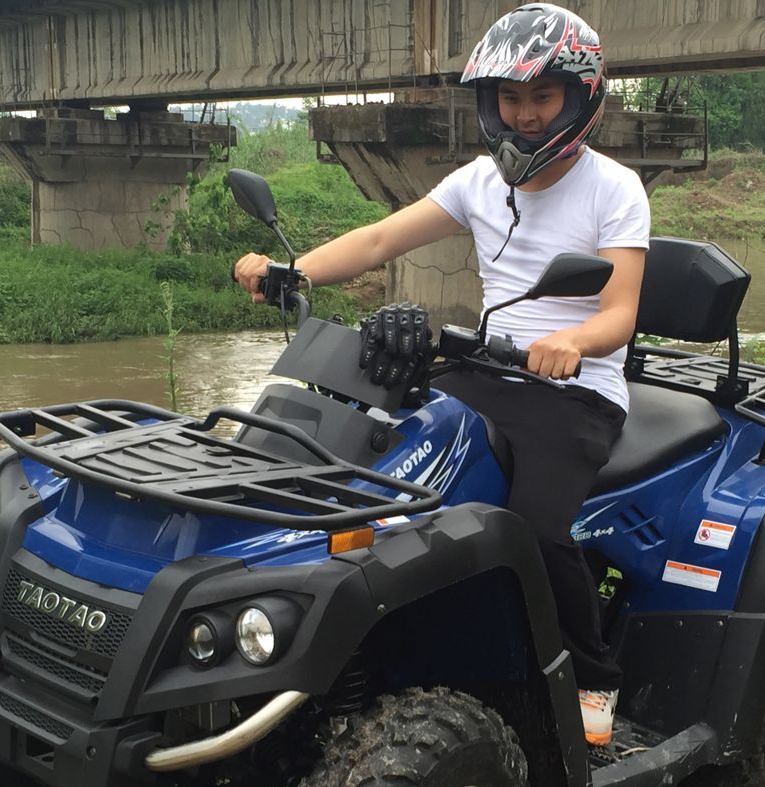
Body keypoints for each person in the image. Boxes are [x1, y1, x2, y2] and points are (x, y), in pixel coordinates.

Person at [234, 3, 650, 746]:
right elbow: (382, 236)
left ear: (580, 97)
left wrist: (572, 342)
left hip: (575, 391)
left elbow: (620, 311)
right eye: (511, 99)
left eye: (542, 97)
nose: (524, 116)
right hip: (484, 372)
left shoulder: (614, 189)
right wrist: (290, 271)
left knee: (537, 530)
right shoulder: (479, 182)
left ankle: (594, 674)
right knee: (378, 468)